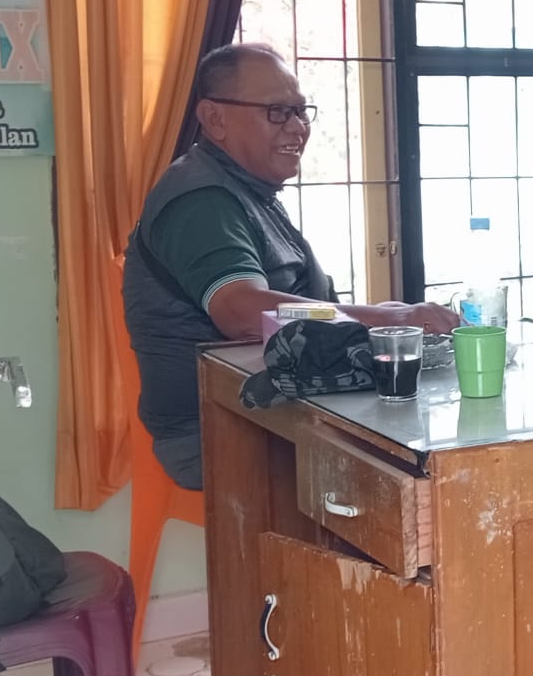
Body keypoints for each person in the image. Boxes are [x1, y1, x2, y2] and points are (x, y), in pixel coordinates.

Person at [123, 43, 457, 490]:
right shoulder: (202, 200)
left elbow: (301, 309)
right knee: (434, 473)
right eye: (278, 112)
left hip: (284, 403)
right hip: (226, 427)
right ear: (214, 118)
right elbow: (244, 313)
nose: (298, 127)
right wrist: (386, 320)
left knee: (438, 425)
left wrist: (382, 317)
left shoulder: (244, 188)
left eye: (301, 112)